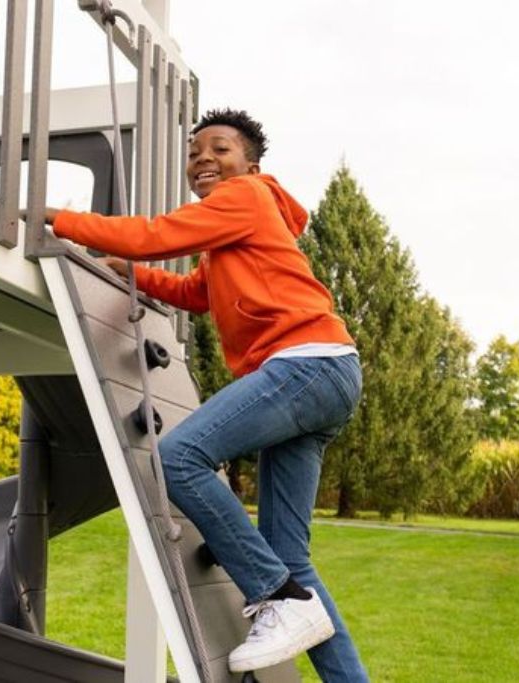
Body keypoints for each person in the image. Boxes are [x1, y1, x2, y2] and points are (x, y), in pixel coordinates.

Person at [45, 108, 368, 680]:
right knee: (291, 561)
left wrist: (60, 219)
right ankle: (300, 612)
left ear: (250, 166)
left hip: (306, 364)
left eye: (220, 149)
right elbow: (197, 292)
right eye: (195, 153)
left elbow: (156, 235)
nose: (203, 159)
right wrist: (134, 273)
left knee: (178, 457)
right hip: (325, 374)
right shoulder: (233, 234)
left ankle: (277, 596)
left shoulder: (246, 196)